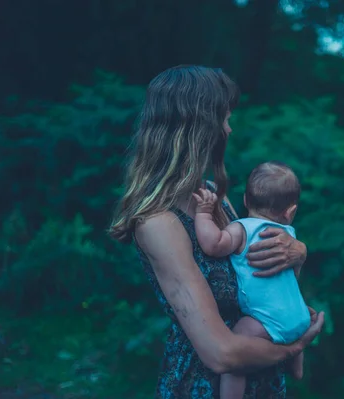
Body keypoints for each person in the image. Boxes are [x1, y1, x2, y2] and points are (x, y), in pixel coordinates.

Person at [108, 65, 325, 399]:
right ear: (198, 128)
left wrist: (298, 250)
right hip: (205, 385)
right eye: (224, 118)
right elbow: (220, 353)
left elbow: (251, 269)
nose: (230, 129)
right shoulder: (157, 222)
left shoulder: (212, 196)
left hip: (257, 376)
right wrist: (295, 347)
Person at [193, 161, 310, 399]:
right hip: (299, 316)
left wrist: (204, 213)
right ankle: (296, 368)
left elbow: (212, 245)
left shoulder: (241, 229)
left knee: (237, 347)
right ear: (291, 212)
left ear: (246, 200)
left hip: (266, 320)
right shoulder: (288, 235)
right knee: (295, 322)